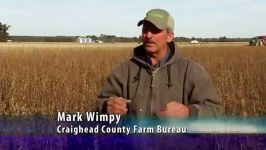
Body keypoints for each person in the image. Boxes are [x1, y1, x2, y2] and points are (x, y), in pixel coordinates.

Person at [98, 8, 222, 118]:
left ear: (170, 36)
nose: (148, 35)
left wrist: (189, 112)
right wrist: (106, 108)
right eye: (145, 30)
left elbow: (215, 111)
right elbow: (100, 105)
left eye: (155, 30)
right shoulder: (124, 71)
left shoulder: (190, 71)